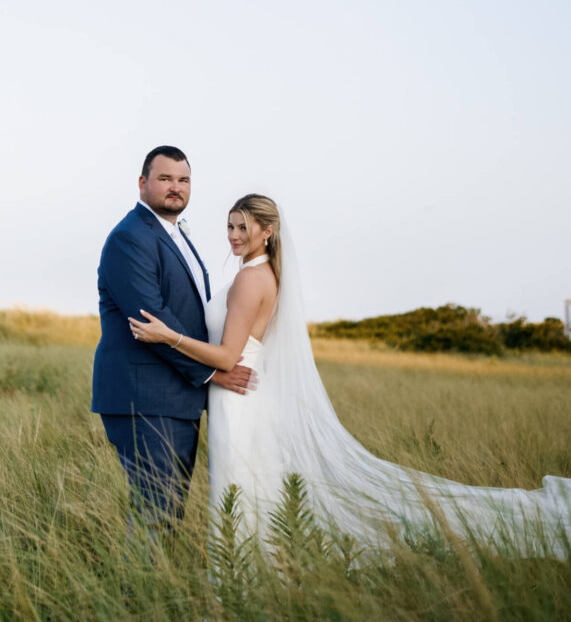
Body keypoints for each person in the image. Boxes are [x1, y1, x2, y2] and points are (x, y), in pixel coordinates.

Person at [130, 194, 571, 556]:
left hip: (241, 401)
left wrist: (169, 337)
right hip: (242, 397)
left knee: (243, 489)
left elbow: (228, 355)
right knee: (250, 488)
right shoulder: (258, 273)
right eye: (230, 226)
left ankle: (243, 579)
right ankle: (259, 573)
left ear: (268, 232)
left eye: (244, 227)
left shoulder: (251, 280)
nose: (234, 236)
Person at [91, 147, 255, 530]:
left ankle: (155, 589)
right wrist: (213, 373)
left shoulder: (175, 235)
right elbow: (151, 319)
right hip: (146, 400)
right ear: (142, 183)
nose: (175, 188)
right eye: (165, 179)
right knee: (156, 514)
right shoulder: (130, 238)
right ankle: (140, 592)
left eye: (183, 180)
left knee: (168, 515)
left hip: (175, 400)